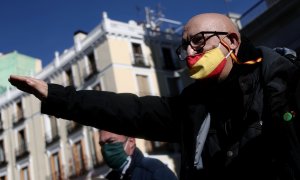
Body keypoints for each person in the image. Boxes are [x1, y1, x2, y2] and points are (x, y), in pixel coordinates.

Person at [8, 13, 300, 180]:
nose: (189, 53)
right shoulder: (192, 108)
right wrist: (56, 96)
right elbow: (131, 110)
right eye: (183, 46)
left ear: (231, 41)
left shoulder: (286, 85)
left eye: (198, 42)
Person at [98, 130, 178, 180]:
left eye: (111, 141)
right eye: (102, 144)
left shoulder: (154, 170)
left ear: (131, 142)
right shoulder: (112, 177)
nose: (106, 149)